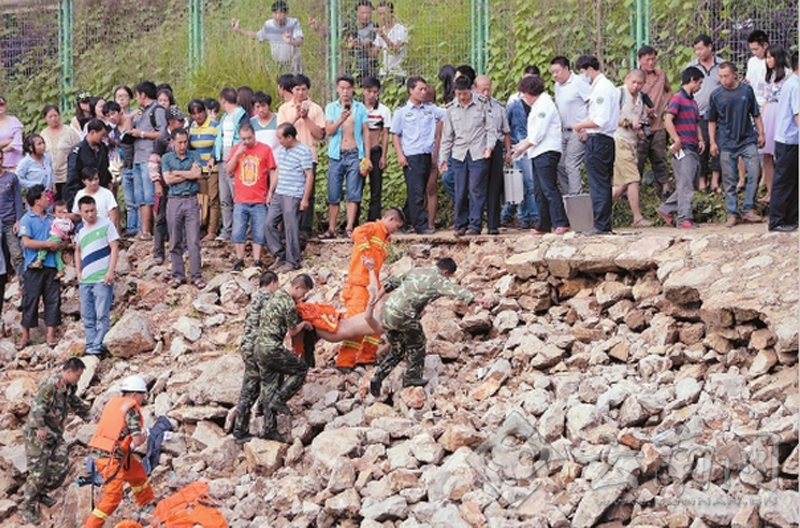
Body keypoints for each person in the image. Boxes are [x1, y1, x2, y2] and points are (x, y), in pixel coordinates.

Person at [369, 258, 490, 396]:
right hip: (403, 316)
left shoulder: (417, 270)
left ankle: (378, 377)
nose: (448, 279)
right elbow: (457, 291)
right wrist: (479, 300)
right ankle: (411, 377)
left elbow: (391, 283)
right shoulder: (438, 279)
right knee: (418, 342)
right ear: (446, 272)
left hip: (386, 313)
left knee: (398, 349)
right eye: (449, 276)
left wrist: (376, 299)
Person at [22, 358, 92, 525]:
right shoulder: (51, 386)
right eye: (77, 375)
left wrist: (91, 416)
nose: (79, 379)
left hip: (55, 434)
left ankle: (41, 493)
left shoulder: (69, 387)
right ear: (68, 371)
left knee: (61, 468)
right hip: (38, 435)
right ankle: (28, 506)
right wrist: (40, 427)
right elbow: (37, 408)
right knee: (38, 472)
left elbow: (74, 403)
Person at [335, 207, 405, 370]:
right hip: (359, 285)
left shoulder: (384, 237)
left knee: (375, 323)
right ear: (391, 219)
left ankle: (366, 357)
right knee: (356, 324)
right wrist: (367, 254)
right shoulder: (373, 228)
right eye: (396, 226)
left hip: (371, 285)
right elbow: (357, 232)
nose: (396, 230)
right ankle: (344, 361)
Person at [84, 375, 156, 528]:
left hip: (110, 451)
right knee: (113, 497)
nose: (143, 399)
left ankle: (147, 504)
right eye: (142, 395)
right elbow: (137, 441)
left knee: (137, 474)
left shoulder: (113, 404)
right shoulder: (131, 410)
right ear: (135, 394)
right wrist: (145, 435)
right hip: (110, 457)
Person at [254, 273, 314, 441]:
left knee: (269, 386)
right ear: (297, 287)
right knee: (301, 369)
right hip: (272, 348)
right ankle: (279, 400)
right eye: (303, 292)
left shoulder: (277, 294)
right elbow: (293, 331)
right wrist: (304, 324)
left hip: (259, 347)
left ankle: (268, 428)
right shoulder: (289, 304)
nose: (303, 296)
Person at [510, 75, 569, 235]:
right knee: (539, 190)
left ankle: (561, 221)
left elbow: (538, 134)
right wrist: (519, 147)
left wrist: (521, 148)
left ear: (530, 93)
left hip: (547, 151)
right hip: (537, 152)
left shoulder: (544, 105)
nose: (523, 98)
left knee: (548, 188)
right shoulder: (537, 106)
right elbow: (532, 136)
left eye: (524, 94)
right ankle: (543, 224)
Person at [709, 62, 765, 227]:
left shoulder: (746, 91)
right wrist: (712, 142)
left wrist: (761, 133)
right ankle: (732, 213)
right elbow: (711, 120)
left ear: (735, 74)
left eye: (726, 76)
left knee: (755, 172)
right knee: (729, 179)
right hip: (726, 141)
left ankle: (748, 208)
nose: (724, 80)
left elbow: (756, 113)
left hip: (747, 139)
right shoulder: (716, 95)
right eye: (720, 76)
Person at [440, 75, 497, 236]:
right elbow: (447, 136)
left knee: (476, 189)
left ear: (471, 90)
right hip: (459, 154)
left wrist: (489, 148)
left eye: (464, 93)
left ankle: (475, 225)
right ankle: (460, 224)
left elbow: (491, 129)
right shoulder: (451, 109)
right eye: (458, 94)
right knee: (460, 190)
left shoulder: (482, 104)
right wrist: (443, 158)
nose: (462, 97)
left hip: (478, 153)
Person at [572, 55, 620, 235]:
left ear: (590, 70)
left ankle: (601, 224)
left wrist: (580, 126)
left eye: (582, 72)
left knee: (598, 184)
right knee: (602, 183)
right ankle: (603, 223)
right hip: (603, 139)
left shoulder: (601, 88)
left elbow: (600, 120)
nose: (582, 77)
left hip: (599, 141)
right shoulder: (604, 87)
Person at [232, 270, 281, 444]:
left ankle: (240, 429)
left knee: (248, 389)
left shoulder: (254, 299)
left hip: (247, 348)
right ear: (273, 283)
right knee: (269, 385)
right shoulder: (268, 298)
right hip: (259, 349)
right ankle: (268, 426)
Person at [17, 185, 67, 350]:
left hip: (52, 265)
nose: (48, 199)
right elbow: (26, 242)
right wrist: (47, 244)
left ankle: (50, 335)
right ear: (37, 201)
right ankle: (25, 336)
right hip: (33, 266)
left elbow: (64, 239)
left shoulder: (53, 219)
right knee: (30, 300)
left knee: (53, 299)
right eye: (45, 197)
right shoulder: (26, 219)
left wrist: (59, 245)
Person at [390, 76, 441, 235]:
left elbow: (447, 113)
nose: (424, 92)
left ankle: (403, 220)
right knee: (417, 192)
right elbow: (395, 134)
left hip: (426, 154)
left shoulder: (430, 109)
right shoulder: (402, 112)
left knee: (417, 191)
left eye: (425, 89)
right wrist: (400, 155)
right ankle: (421, 225)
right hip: (411, 155)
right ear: (411, 90)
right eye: (420, 89)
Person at [277, 74, 325, 238]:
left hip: (309, 154)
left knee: (308, 193)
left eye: (304, 89)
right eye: (297, 89)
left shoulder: (316, 109)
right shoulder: (284, 109)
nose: (300, 92)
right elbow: (281, 131)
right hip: (289, 156)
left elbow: (320, 134)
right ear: (292, 90)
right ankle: (288, 227)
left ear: (308, 90)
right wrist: (297, 116)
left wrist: (306, 117)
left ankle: (305, 228)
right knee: (287, 192)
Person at [323, 74, 370, 239]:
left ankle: (349, 227)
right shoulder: (331, 108)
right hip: (336, 155)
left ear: (353, 89)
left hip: (355, 154)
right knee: (333, 193)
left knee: (353, 192)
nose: (345, 91)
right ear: (337, 89)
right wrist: (341, 120)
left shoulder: (360, 108)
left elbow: (365, 132)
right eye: (342, 88)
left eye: (348, 88)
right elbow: (329, 131)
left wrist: (367, 157)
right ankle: (331, 228)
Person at [658, 67, 705, 229]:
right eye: (699, 83)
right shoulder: (677, 98)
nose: (699, 86)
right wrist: (676, 139)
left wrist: (700, 139)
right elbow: (668, 120)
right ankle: (684, 218)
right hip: (684, 147)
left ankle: (666, 209)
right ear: (692, 80)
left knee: (688, 183)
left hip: (692, 146)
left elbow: (696, 123)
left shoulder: (693, 102)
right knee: (686, 184)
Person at [225, 122, 276, 271]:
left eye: (249, 138)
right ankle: (239, 260)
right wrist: (237, 154)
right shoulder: (236, 149)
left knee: (259, 232)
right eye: (243, 139)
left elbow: (273, 170)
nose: (246, 141)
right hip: (241, 198)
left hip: (259, 198)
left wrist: (271, 191)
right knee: (238, 231)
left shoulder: (265, 149)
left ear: (254, 135)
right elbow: (228, 170)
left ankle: (257, 260)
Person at [75, 195, 119, 355]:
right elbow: (78, 250)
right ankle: (90, 344)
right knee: (87, 315)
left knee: (101, 314)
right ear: (80, 212)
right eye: (86, 211)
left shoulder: (107, 224)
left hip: (102, 277)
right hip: (86, 278)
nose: (90, 214)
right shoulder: (80, 229)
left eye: (93, 210)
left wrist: (110, 271)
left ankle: (98, 345)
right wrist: (78, 272)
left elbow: (114, 247)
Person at [266, 123, 314, 272]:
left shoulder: (303, 151)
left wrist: (305, 198)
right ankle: (279, 253)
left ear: (289, 137)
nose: (278, 141)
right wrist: (271, 191)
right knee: (268, 224)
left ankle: (293, 261)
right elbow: (278, 170)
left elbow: (309, 175)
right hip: (279, 192)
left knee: (291, 228)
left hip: (293, 194)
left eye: (280, 138)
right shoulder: (283, 150)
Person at [162, 128, 205, 288]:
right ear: (172, 142)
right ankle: (178, 275)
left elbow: (197, 175)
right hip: (174, 200)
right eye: (179, 142)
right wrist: (188, 173)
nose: (183, 146)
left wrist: (178, 173)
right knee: (175, 240)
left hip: (191, 199)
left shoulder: (194, 155)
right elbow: (167, 179)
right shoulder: (166, 158)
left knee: (193, 241)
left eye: (185, 142)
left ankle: (196, 276)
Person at [612, 69, 653, 228]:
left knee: (621, 185)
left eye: (639, 83)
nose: (635, 86)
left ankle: (594, 208)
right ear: (626, 79)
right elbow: (609, 116)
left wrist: (641, 129)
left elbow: (641, 118)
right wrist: (629, 123)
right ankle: (637, 217)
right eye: (633, 82)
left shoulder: (641, 98)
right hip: (619, 140)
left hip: (632, 142)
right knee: (633, 179)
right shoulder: (618, 94)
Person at [129, 81, 167, 241]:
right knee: (141, 197)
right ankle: (145, 231)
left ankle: (159, 231)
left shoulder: (157, 110)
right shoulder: (141, 112)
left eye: (137, 95)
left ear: (143, 94)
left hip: (150, 158)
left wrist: (142, 134)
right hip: (138, 157)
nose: (136, 98)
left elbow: (163, 133)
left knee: (152, 196)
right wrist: (130, 117)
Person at [502, 69, 539, 229]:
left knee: (525, 184)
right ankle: (531, 217)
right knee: (525, 183)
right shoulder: (514, 104)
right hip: (519, 149)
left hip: (535, 148)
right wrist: (507, 150)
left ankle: (512, 216)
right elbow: (505, 128)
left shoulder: (541, 104)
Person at [474, 75, 511, 235]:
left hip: (495, 147)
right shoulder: (471, 105)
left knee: (494, 186)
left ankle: (493, 224)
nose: (486, 92)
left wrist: (508, 151)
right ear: (475, 89)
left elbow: (506, 131)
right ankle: (474, 223)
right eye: (482, 89)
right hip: (477, 148)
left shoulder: (498, 106)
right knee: (476, 186)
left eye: (488, 89)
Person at [688, 34, 724, 193]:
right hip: (699, 114)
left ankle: (715, 181)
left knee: (718, 145)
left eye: (701, 48)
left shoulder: (722, 65)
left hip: (719, 115)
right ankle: (702, 181)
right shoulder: (691, 67)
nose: (699, 52)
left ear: (710, 47)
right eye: (696, 49)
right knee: (702, 146)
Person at [214, 87, 251, 242]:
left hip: (236, 160)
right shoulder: (224, 118)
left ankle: (241, 230)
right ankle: (227, 229)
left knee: (237, 196)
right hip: (222, 159)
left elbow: (244, 137)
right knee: (225, 197)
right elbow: (220, 139)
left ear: (223, 100)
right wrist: (214, 156)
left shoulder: (242, 115)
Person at [636, 45, 673, 200]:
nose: (651, 63)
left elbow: (669, 91)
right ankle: (632, 194)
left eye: (653, 59)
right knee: (638, 159)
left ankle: (665, 189)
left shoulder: (661, 75)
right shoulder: (635, 77)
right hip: (640, 126)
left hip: (657, 125)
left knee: (660, 157)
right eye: (647, 60)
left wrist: (662, 106)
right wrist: (643, 110)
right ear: (640, 60)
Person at [551, 56, 591, 196]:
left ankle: (576, 197)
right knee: (560, 164)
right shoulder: (557, 86)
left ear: (566, 69)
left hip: (578, 130)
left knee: (571, 163)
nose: (555, 75)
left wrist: (587, 127)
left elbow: (592, 103)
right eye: (552, 72)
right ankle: (569, 196)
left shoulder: (579, 83)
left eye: (557, 71)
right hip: (563, 131)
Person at [768, 51, 799, 232]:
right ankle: (777, 220)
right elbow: (798, 115)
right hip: (789, 140)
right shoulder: (795, 86)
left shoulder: (792, 83)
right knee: (784, 181)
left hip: (790, 140)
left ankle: (791, 217)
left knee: (793, 180)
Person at [231, 0, 304, 74]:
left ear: (286, 13)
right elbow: (256, 36)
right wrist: (238, 30)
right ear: (272, 13)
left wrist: (291, 41)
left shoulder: (293, 23)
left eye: (281, 12)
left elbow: (300, 40)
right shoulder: (269, 25)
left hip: (294, 65)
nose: (278, 16)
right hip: (278, 65)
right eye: (276, 13)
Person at [759, 44, 790, 204]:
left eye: (770, 57)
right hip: (769, 114)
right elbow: (766, 100)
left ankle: (782, 194)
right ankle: (770, 192)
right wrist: (761, 123)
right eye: (767, 57)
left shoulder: (789, 75)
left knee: (782, 156)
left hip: (782, 114)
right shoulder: (769, 77)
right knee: (767, 156)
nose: (768, 60)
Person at [187, 99, 220, 241]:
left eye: (199, 112)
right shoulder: (192, 127)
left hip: (213, 168)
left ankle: (212, 230)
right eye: (193, 113)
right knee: (201, 199)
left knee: (213, 198)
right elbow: (190, 148)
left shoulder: (215, 125)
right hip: (198, 168)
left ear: (204, 111)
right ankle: (202, 227)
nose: (197, 116)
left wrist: (213, 158)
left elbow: (217, 145)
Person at [361, 76, 391, 221]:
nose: (372, 95)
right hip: (360, 152)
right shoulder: (358, 109)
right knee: (357, 187)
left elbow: (385, 134)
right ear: (363, 91)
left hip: (376, 151)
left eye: (375, 92)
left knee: (376, 188)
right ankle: (353, 221)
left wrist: (383, 155)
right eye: (369, 91)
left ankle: (373, 220)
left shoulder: (384, 110)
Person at [65, 119, 111, 210]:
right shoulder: (77, 151)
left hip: (101, 192)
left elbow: (105, 168)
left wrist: (108, 181)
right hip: (85, 194)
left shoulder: (103, 148)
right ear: (92, 132)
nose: (103, 138)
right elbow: (73, 177)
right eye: (101, 135)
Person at [40, 105, 82, 201]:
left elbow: (78, 150)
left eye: (55, 115)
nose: (53, 119)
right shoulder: (43, 134)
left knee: (67, 203)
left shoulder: (69, 132)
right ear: (45, 118)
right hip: (51, 177)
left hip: (67, 176)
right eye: (50, 117)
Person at [113, 86, 139, 236]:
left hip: (135, 161)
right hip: (119, 165)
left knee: (139, 198)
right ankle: (130, 228)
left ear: (130, 98)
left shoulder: (136, 115)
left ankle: (139, 228)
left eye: (125, 96)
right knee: (128, 201)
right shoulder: (113, 119)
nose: (122, 99)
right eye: (119, 96)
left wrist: (129, 118)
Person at [29, 200, 72, 279]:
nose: (62, 214)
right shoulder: (55, 219)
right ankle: (60, 270)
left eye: (64, 212)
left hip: (56, 237)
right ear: (54, 213)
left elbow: (68, 228)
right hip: (59, 238)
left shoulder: (66, 221)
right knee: (57, 255)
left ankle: (39, 260)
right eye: (59, 212)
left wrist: (63, 222)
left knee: (45, 245)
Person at [0, 150, 24, 286]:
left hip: (10, 221)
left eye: (0, 158)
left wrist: (18, 219)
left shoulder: (11, 178)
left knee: (17, 255)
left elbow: (18, 200)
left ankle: (23, 286)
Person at [72, 166, 121, 232]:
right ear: (84, 181)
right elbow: (77, 214)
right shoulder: (80, 194)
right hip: (87, 227)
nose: (94, 183)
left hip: (104, 227)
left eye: (96, 179)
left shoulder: (107, 193)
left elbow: (114, 216)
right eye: (90, 180)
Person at [373, 1, 408, 80]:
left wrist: (383, 36)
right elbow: (374, 53)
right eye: (380, 14)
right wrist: (360, 44)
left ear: (392, 14)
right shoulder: (381, 30)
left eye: (385, 14)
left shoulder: (401, 30)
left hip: (398, 73)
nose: (383, 17)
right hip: (383, 73)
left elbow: (395, 51)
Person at [347, 0, 378, 80]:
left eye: (368, 13)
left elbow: (369, 41)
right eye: (362, 13)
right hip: (352, 64)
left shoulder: (375, 26)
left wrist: (358, 44)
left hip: (369, 65)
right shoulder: (350, 26)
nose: (365, 16)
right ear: (357, 13)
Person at [745, 30, 769, 109]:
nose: (754, 53)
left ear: (765, 45)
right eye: (752, 50)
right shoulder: (751, 61)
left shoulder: (771, 61)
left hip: (767, 103)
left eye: (756, 49)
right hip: (753, 102)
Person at [0, 95, 23, 173]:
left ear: (5, 105)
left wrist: (1, 151)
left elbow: (17, 143)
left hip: (14, 166)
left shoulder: (14, 121)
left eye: (1, 104)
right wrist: (7, 142)